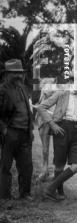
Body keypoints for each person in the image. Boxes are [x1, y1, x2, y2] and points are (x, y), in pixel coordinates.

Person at [36, 72, 77, 201]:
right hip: (62, 129)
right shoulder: (61, 93)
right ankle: (59, 192)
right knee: (59, 164)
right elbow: (41, 107)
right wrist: (52, 124)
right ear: (72, 82)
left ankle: (50, 188)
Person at [0, 59, 34, 201]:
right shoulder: (2, 90)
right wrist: (4, 130)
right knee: (5, 166)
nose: (18, 76)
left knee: (26, 166)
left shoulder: (23, 89)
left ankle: (24, 194)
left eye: (19, 73)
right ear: (7, 74)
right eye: (14, 73)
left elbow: (28, 111)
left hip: (24, 133)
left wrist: (30, 131)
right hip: (10, 132)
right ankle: (4, 195)